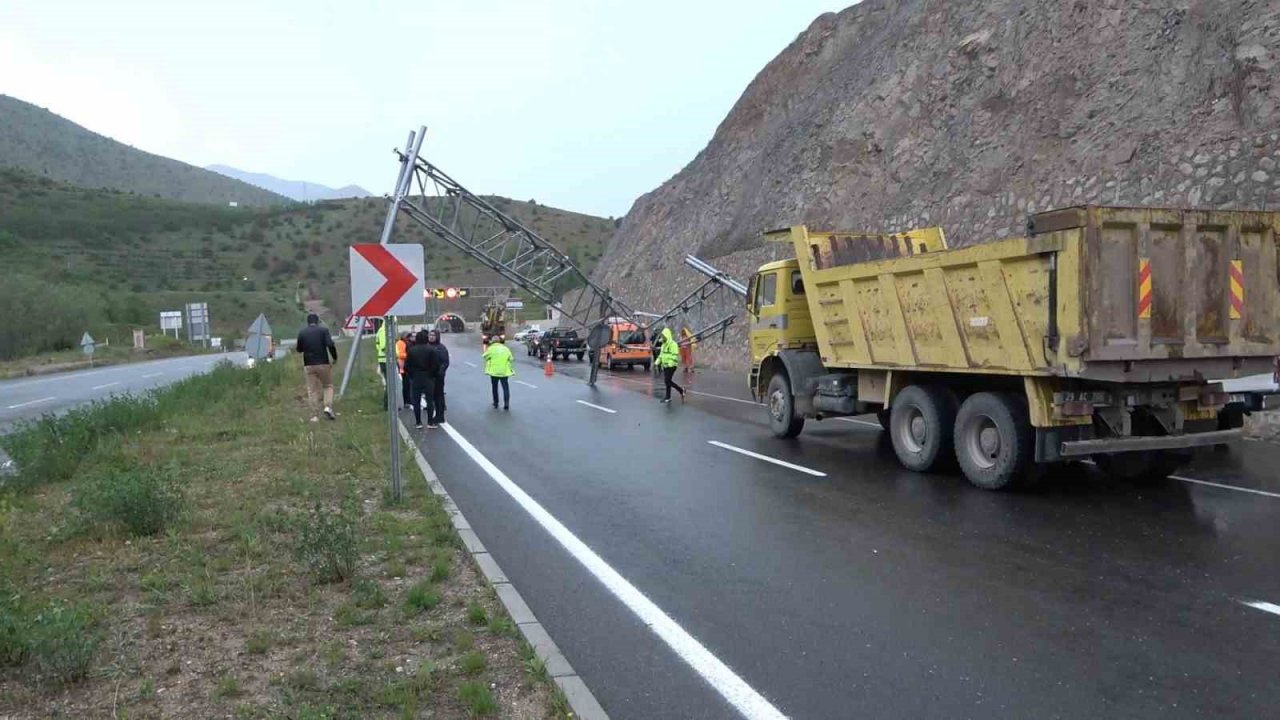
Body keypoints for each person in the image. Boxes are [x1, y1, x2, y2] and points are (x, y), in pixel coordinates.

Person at [295, 313, 339, 422]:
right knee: (328, 386)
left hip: (309, 365)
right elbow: (330, 344)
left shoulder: (302, 333)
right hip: (323, 363)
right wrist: (334, 357)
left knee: (312, 390)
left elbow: (299, 349)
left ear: (308, 322)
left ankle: (315, 415)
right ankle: (328, 407)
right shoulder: (323, 331)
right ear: (318, 321)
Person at [404, 329, 440, 429]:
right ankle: (430, 422)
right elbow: (436, 365)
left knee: (416, 401)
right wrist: (432, 375)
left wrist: (412, 375)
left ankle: (418, 422)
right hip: (428, 378)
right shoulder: (431, 350)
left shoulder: (411, 350)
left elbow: (407, 366)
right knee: (429, 401)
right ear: (426, 339)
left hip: (416, 378)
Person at [483, 334, 515, 410]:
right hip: (504, 371)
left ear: (492, 341)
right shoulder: (505, 348)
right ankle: (506, 403)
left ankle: (496, 403)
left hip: (494, 372)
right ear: (500, 341)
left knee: (494, 387)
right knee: (505, 387)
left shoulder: (491, 349)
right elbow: (511, 358)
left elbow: (485, 356)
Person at [426, 329, 450, 425]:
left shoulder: (441, 348)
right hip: (429, 376)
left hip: (438, 376)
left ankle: (440, 416)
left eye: (433, 335)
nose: (431, 337)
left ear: (437, 337)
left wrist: (440, 372)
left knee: (438, 396)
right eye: (430, 335)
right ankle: (435, 414)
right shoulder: (427, 346)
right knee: (431, 396)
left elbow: (445, 362)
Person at [657, 327, 684, 403]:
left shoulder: (673, 344)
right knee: (667, 381)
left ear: (667, 336)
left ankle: (680, 390)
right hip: (665, 365)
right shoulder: (663, 345)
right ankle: (668, 397)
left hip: (672, 365)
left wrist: (670, 363)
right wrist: (657, 362)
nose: (663, 338)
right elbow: (661, 355)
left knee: (667, 380)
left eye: (664, 336)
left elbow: (674, 355)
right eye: (662, 336)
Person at [585, 320, 611, 386]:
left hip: (596, 347)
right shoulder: (602, 334)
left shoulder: (598, 335)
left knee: (595, 361)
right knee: (595, 361)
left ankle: (592, 380)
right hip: (596, 347)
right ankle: (592, 380)